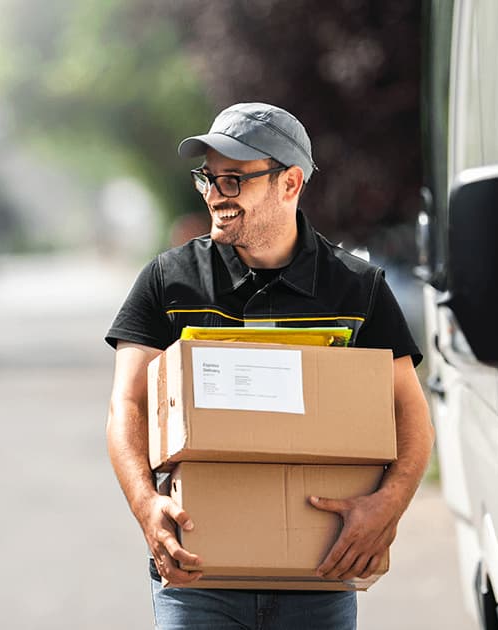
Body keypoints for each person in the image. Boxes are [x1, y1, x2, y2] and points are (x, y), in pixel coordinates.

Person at [104, 102, 433, 629]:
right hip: (196, 581)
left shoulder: (356, 289)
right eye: (207, 179)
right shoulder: (169, 281)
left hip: (318, 582)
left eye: (233, 180)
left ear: (290, 182)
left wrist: (388, 504)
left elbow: (410, 413)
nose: (215, 196)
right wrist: (146, 505)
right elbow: (128, 405)